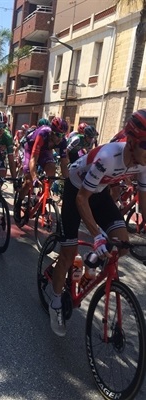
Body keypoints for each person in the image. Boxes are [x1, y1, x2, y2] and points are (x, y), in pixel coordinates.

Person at [47, 109, 146, 337]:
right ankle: (54, 302)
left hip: (98, 191)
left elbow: (144, 204)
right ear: (131, 142)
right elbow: (82, 199)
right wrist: (97, 235)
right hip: (76, 191)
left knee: (122, 243)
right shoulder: (108, 157)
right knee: (68, 254)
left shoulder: (142, 164)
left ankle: (92, 261)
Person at [14, 117, 69, 223]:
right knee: (29, 181)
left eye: (62, 135)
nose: (59, 138)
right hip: (30, 149)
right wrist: (34, 176)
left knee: (51, 170)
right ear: (52, 131)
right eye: (58, 134)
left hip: (45, 151)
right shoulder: (43, 134)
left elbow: (63, 164)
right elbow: (34, 158)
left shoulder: (62, 141)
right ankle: (18, 204)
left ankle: (40, 199)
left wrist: (68, 181)